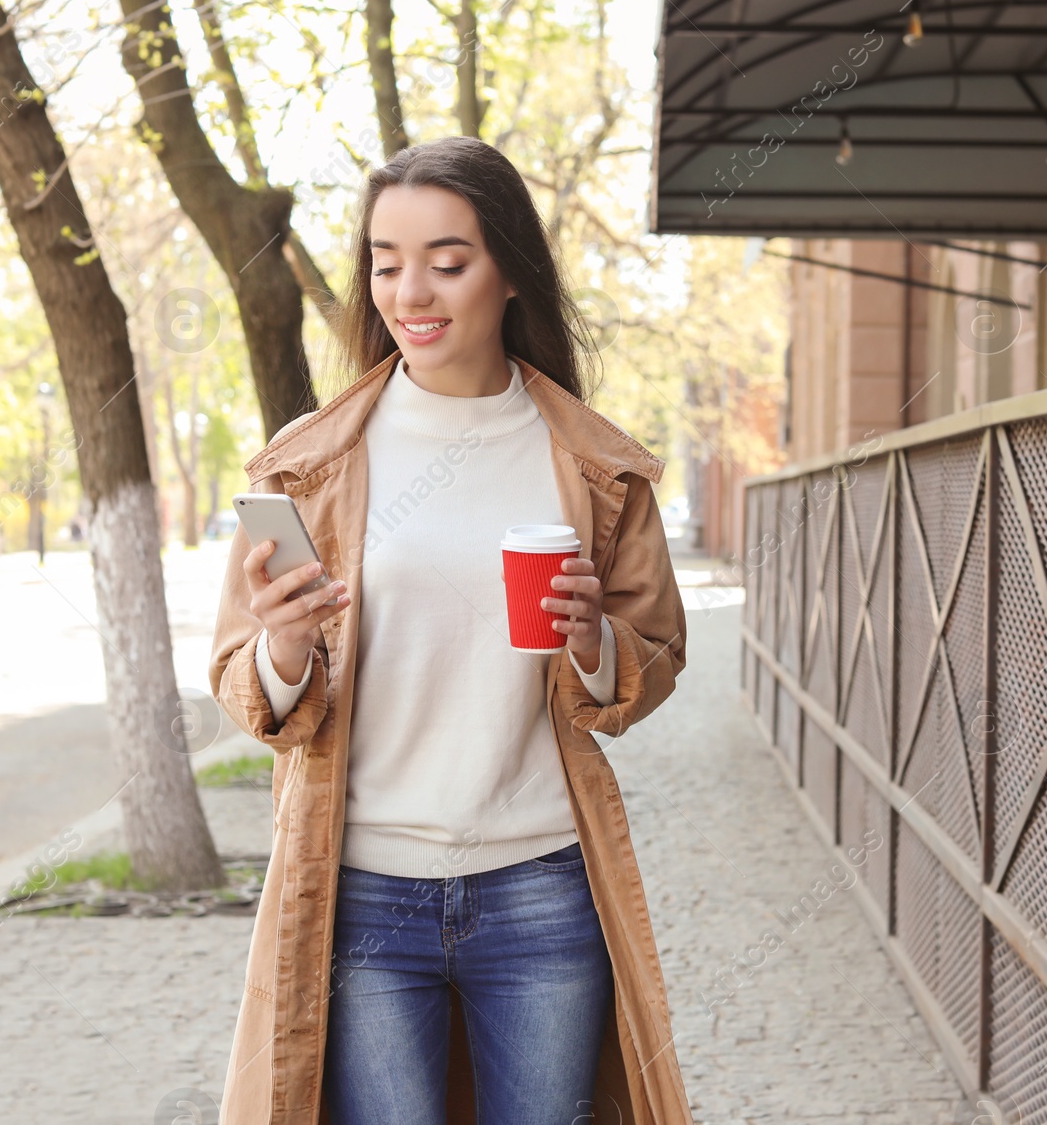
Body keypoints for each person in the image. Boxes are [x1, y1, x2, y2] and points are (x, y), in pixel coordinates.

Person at [209, 135, 692, 1125]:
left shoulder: (594, 466)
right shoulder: (305, 466)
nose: (409, 292)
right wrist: (285, 648)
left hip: (541, 884)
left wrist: (592, 641)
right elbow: (243, 681)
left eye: (446, 260)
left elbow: (654, 658)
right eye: (386, 262)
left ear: (509, 269)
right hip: (361, 892)